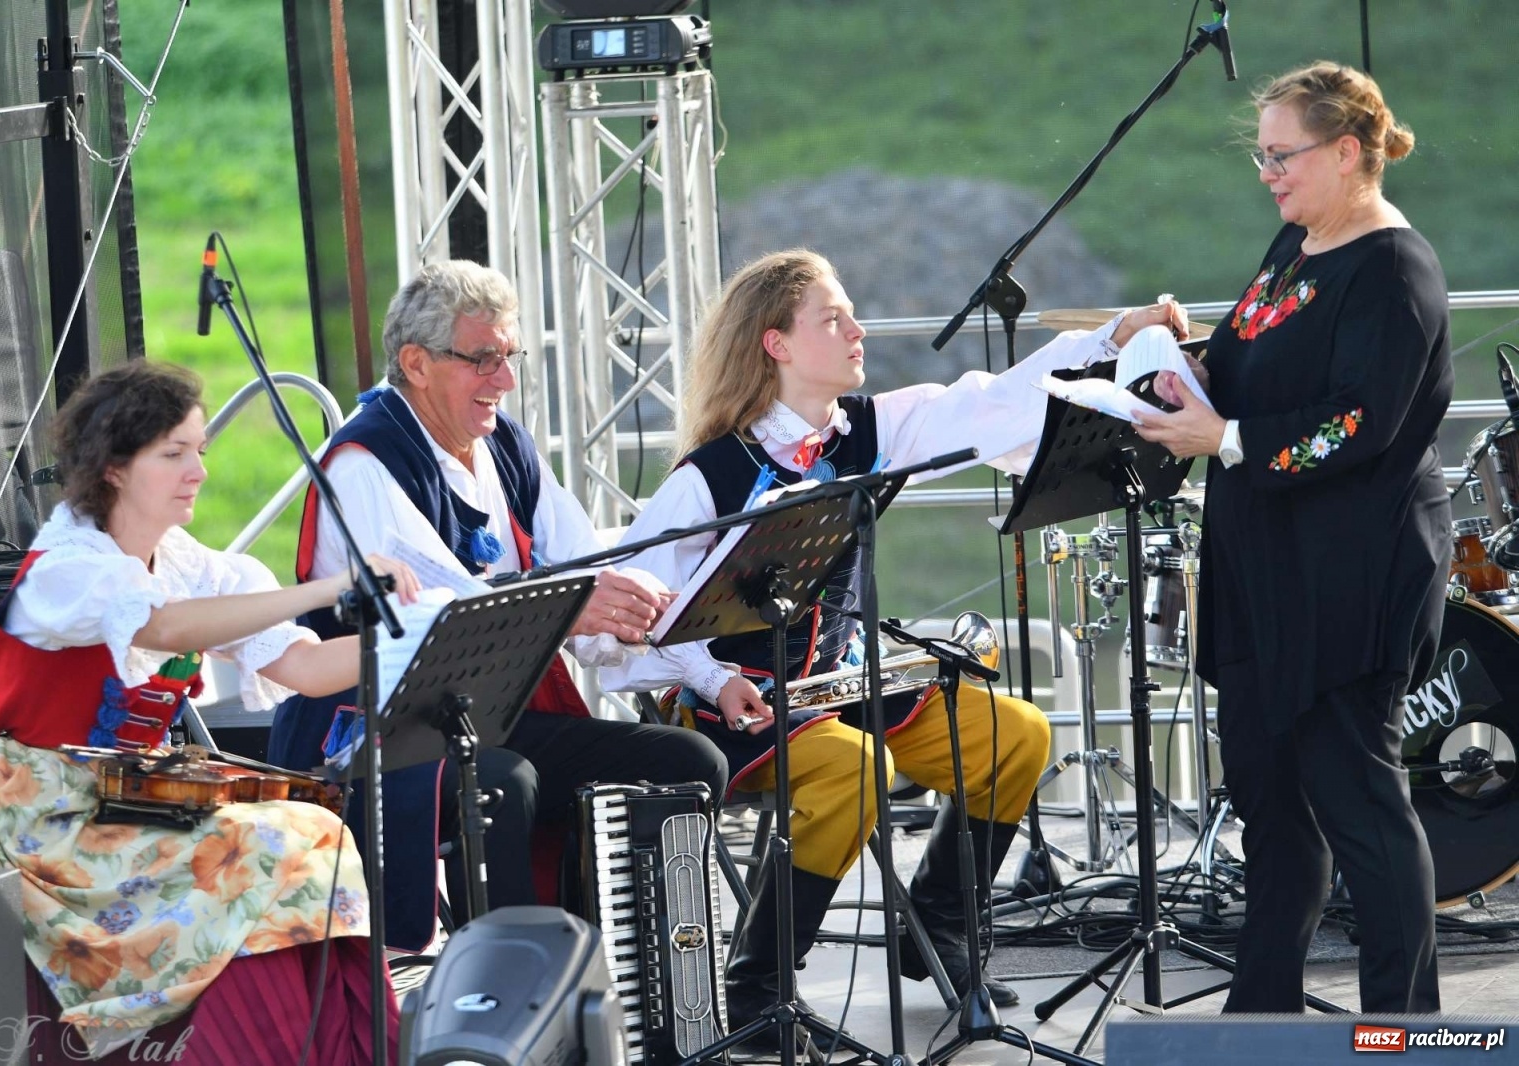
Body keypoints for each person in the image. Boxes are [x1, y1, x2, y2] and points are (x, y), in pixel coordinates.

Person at [600, 248, 1186, 1033]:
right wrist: (710, 679)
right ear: (776, 344)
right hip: (736, 708)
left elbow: (988, 404)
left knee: (1015, 735)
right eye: (832, 318)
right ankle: (756, 986)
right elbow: (627, 621)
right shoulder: (708, 477)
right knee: (857, 768)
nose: (858, 330)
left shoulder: (870, 431)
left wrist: (1113, 338)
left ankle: (938, 929)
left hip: (838, 684)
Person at [0, 360, 421, 1063]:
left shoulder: (182, 562)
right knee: (265, 849)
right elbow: (165, 626)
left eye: (200, 450)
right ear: (113, 468)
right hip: (43, 816)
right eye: (174, 454)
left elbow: (307, 670)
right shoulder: (67, 570)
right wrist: (327, 589)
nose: (198, 472)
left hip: (131, 796)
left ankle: (319, 1046)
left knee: (316, 832)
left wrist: (427, 638)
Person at [266, 259, 728, 951]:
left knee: (690, 761)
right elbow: (444, 615)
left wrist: (692, 660)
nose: (504, 379)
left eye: (509, 357)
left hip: (480, 717)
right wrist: (574, 607)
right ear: (416, 363)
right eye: (483, 359)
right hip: (376, 734)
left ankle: (637, 980)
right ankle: (512, 990)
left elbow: (586, 565)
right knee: (505, 783)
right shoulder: (365, 463)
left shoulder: (504, 443)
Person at [1136, 61, 1449, 1014]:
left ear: (1348, 152)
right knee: (1269, 807)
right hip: (1264, 567)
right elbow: (1256, 362)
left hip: (1349, 576)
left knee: (1360, 806)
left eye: (1284, 155)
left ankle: (1404, 1028)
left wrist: (1224, 436)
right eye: (1262, 156)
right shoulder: (1298, 244)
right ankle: (1261, 1015)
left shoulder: (1392, 269)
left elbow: (1357, 421)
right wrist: (1187, 366)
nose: (1268, 173)